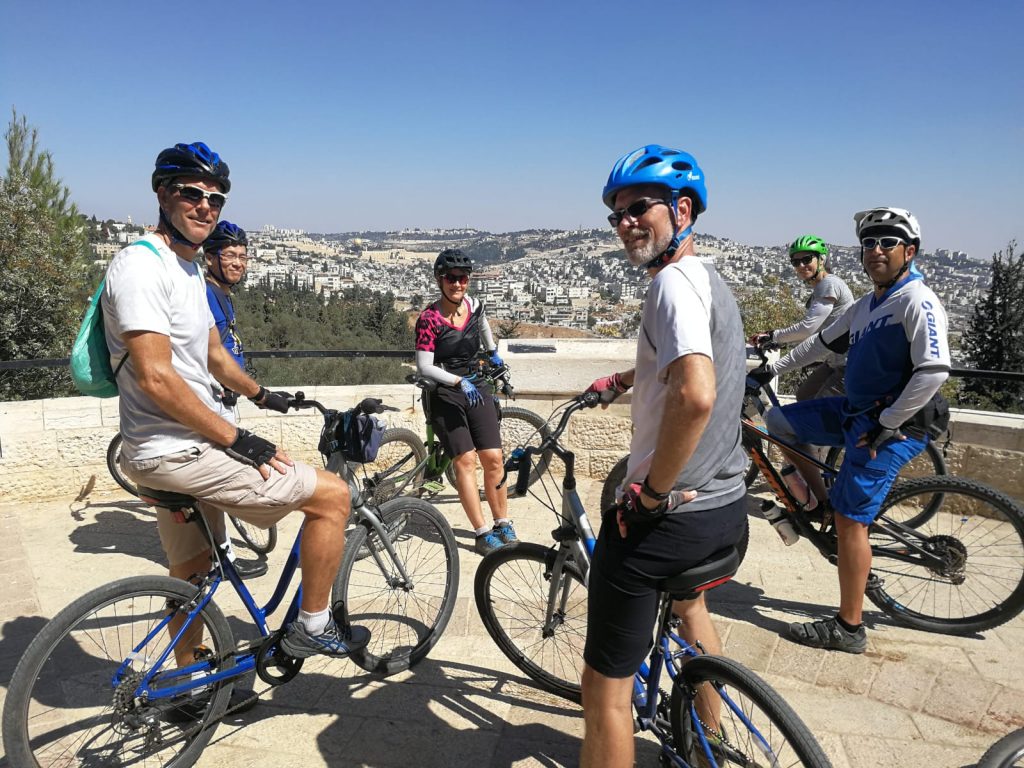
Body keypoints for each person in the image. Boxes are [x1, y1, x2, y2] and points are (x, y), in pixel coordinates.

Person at [102, 142, 369, 688]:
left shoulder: (187, 269)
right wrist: (239, 439)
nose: (205, 205)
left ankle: (186, 684)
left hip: (168, 449)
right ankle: (314, 626)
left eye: (216, 198)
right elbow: (156, 377)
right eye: (191, 193)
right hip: (179, 450)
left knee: (193, 571)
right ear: (163, 195)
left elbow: (214, 355)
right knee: (333, 497)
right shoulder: (140, 266)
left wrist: (262, 394)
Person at [580, 145, 749, 768]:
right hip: (726, 508)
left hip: (672, 518)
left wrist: (650, 494)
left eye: (639, 208)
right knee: (690, 605)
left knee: (603, 689)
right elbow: (680, 366)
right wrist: (627, 379)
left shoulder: (671, 285)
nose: (626, 222)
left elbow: (695, 395)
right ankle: (708, 742)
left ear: (682, 210)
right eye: (617, 214)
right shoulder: (709, 280)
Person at [752, 207, 950, 653]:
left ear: (909, 251)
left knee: (850, 521)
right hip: (855, 411)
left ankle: (849, 627)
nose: (876, 250)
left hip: (894, 425)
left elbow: (934, 371)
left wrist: (886, 424)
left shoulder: (916, 300)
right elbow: (818, 344)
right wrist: (768, 372)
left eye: (887, 241)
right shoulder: (865, 306)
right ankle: (821, 500)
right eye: (869, 242)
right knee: (778, 422)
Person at [413, 248, 513, 556]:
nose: (457, 284)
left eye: (463, 278)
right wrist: (457, 382)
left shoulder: (475, 306)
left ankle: (503, 522)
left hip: (476, 385)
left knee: (494, 458)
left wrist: (493, 353)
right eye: (451, 278)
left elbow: (482, 327)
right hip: (446, 391)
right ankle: (482, 532)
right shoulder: (429, 319)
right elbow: (424, 366)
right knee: (465, 461)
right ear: (439, 280)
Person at [199, 220, 266, 580]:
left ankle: (215, 550)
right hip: (212, 398)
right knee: (215, 483)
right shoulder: (206, 294)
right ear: (211, 257)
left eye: (243, 256)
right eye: (230, 255)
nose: (238, 262)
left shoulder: (220, 292)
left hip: (224, 395)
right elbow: (208, 353)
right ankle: (221, 557)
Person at [750, 234, 854, 400]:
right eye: (796, 262)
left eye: (806, 259)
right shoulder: (821, 288)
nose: (801, 265)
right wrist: (780, 342)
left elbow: (807, 328)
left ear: (821, 259)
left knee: (816, 411)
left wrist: (773, 336)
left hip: (847, 365)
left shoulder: (829, 284)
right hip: (832, 361)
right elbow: (819, 332)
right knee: (804, 395)